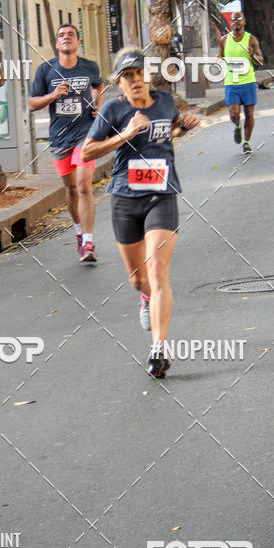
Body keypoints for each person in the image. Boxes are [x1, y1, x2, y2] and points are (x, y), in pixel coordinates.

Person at [81, 47, 199, 378]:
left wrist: (182, 128)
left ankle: (159, 349)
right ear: (120, 83)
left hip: (161, 195)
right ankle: (146, 298)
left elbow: (168, 131)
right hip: (124, 199)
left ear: (149, 75)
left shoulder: (165, 102)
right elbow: (88, 151)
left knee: (159, 270)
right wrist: (126, 134)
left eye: (139, 74)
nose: (135, 81)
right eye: (127, 77)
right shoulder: (112, 109)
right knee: (139, 280)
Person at [29, 24, 104, 262]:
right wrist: (53, 95)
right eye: (61, 35)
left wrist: (99, 105)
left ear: (78, 42)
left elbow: (99, 86)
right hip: (60, 136)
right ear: (57, 44)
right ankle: (79, 233)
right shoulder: (46, 70)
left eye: (71, 34)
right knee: (71, 189)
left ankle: (90, 243)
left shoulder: (89, 67)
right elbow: (32, 104)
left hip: (86, 133)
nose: (66, 38)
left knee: (83, 185)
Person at [217, 11, 264, 154]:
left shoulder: (251, 40)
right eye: (233, 20)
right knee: (234, 113)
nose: (236, 22)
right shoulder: (224, 40)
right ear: (231, 23)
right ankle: (237, 126)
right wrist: (218, 58)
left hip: (248, 81)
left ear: (244, 21)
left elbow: (261, 60)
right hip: (231, 82)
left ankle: (246, 142)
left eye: (239, 19)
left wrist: (252, 55)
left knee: (249, 114)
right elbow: (220, 55)